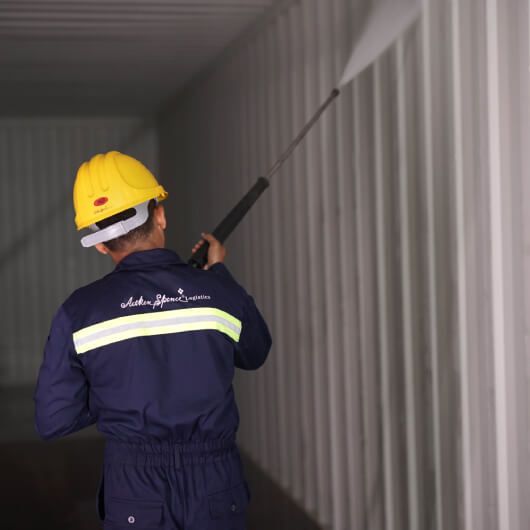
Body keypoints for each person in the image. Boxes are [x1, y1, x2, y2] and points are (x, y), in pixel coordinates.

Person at [34, 151, 272, 530]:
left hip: (133, 488)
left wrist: (120, 392)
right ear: (159, 214)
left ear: (98, 242)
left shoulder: (77, 313)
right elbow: (256, 351)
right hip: (215, 481)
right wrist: (219, 275)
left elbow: (53, 419)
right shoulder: (218, 292)